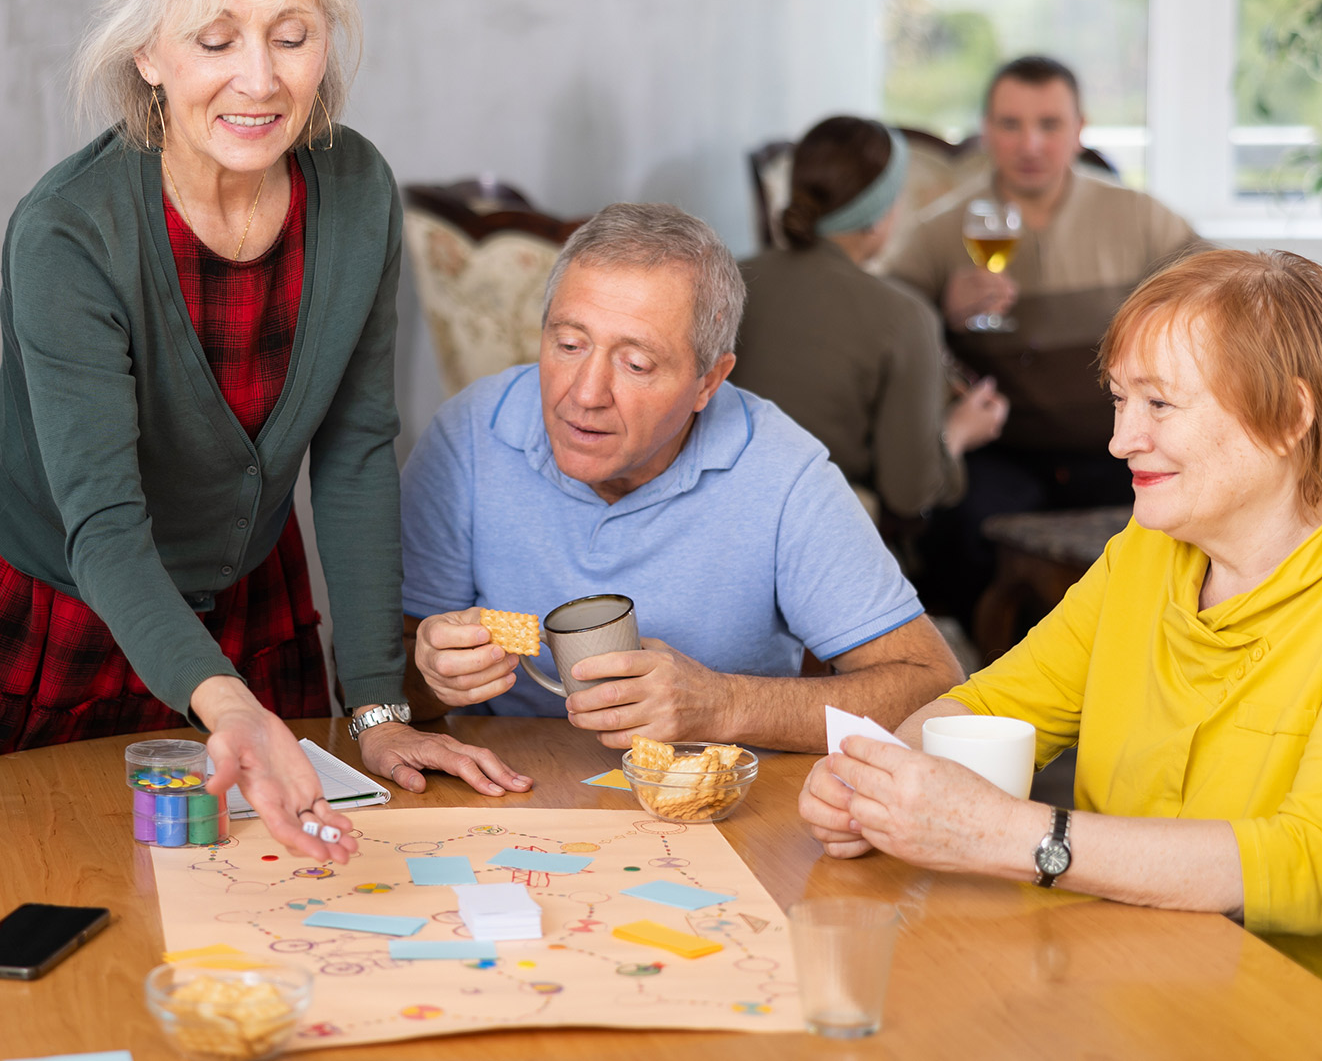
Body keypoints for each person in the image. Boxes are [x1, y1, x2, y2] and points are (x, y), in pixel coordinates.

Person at [0, 0, 523, 867]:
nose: (260, 79)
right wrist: (228, 708)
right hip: (67, 594)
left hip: (247, 587)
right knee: (44, 875)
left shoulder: (358, 189)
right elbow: (105, 524)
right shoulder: (68, 235)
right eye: (216, 40)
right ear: (148, 54)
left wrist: (375, 704)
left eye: (292, 37)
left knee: (267, 895)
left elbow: (354, 449)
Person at [800, 250, 1322, 1049]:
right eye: (1119, 400)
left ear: (1289, 414)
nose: (1119, 440)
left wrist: (1013, 835)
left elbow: (1321, 868)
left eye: (1160, 404)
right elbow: (994, 703)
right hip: (1135, 972)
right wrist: (875, 773)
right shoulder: (1151, 546)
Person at [400, 203, 964, 750]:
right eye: (569, 344)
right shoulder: (470, 436)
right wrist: (428, 677)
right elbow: (371, 684)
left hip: (716, 814)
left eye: (636, 364)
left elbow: (932, 688)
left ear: (707, 382)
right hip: (509, 801)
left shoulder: (782, 472)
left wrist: (723, 705)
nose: (585, 394)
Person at [882, 55, 1200, 629]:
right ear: (986, 130)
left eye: (1049, 125)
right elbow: (878, 316)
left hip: (1118, 444)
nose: (1030, 144)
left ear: (1080, 130)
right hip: (1005, 449)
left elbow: (1223, 296)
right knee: (965, 524)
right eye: (1010, 124)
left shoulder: (1140, 218)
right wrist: (938, 310)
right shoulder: (939, 230)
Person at [736, 116, 1009, 522]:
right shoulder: (903, 315)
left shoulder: (726, 279)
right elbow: (909, 494)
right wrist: (960, 430)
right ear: (879, 213)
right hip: (821, 547)